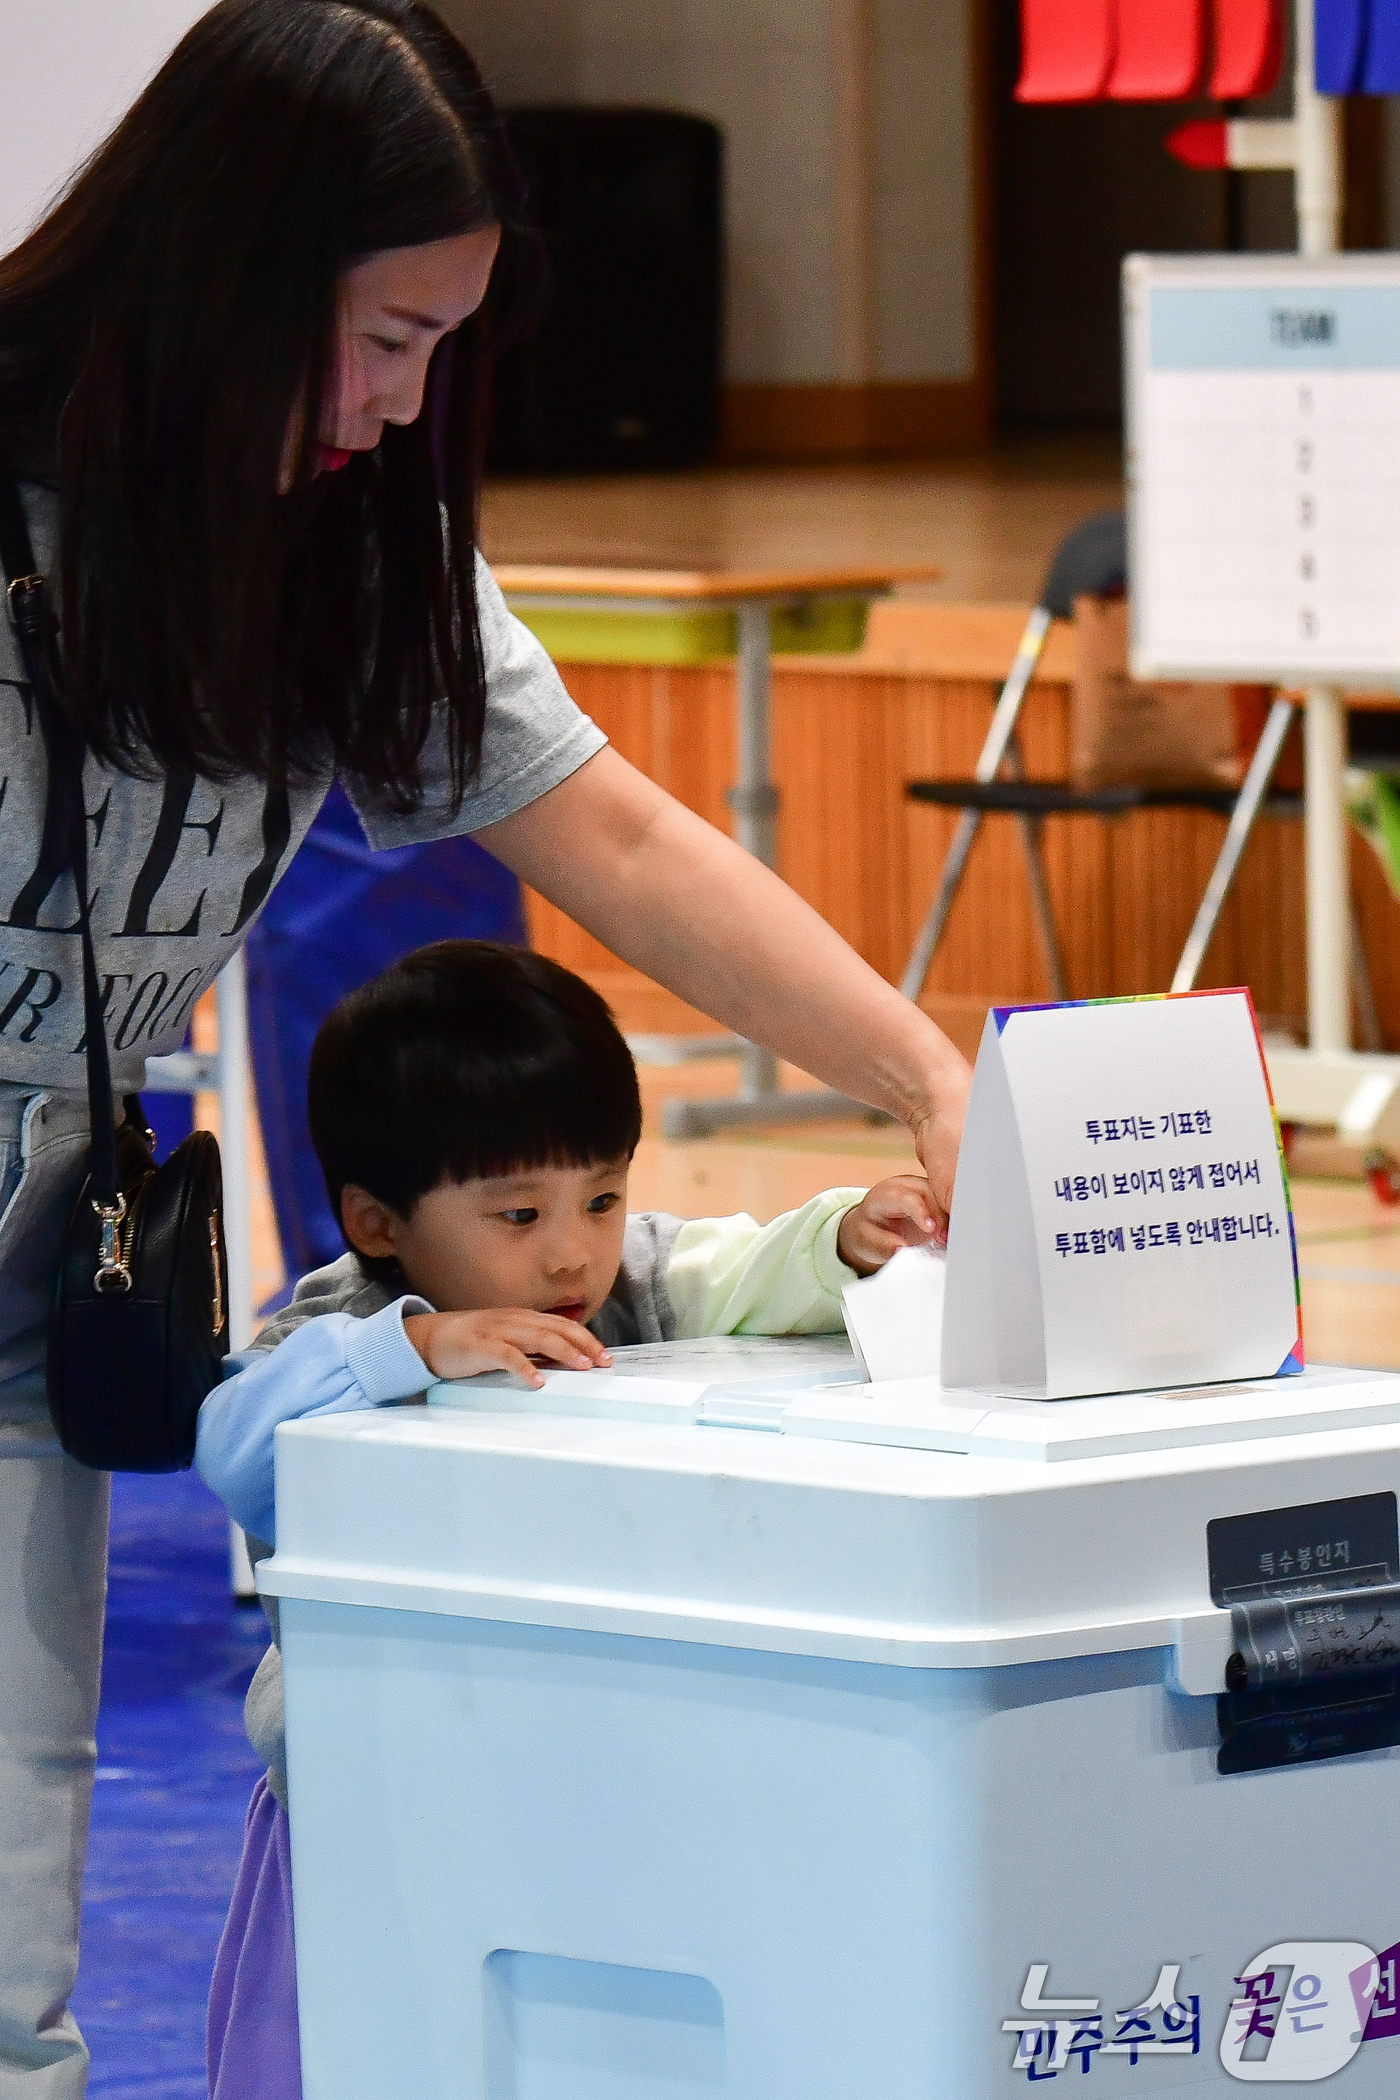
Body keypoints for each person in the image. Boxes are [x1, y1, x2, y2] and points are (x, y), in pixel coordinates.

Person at [0, 3, 970, 2088]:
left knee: (11, 1985)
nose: (394, 399)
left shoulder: (347, 538)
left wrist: (930, 1073)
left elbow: (609, 827)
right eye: (370, 336)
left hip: (47, 1291)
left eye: (439, 345)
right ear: (222, 271)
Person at [193, 938, 939, 2096]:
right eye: (518, 1213)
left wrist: (842, 1235)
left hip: (589, 1784)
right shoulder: (331, 1331)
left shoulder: (629, 1283)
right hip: (374, 1808)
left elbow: (742, 1272)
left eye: (601, 1195)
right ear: (377, 1222)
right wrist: (417, 1345)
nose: (571, 1250)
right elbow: (234, 1443)